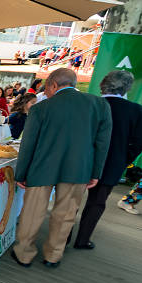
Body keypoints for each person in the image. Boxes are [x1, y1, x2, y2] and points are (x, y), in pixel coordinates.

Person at [12, 68, 112, 268]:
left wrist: (21, 173)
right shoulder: (100, 105)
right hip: (79, 169)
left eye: (46, 88)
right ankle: (53, 256)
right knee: (66, 214)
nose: (45, 92)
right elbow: (102, 143)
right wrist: (95, 173)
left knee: (33, 212)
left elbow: (28, 144)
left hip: (42, 168)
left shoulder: (41, 108)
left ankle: (24, 254)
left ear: (53, 85)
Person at [73, 71, 142, 248]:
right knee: (96, 203)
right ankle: (82, 240)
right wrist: (124, 158)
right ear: (127, 87)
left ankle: (62, 238)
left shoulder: (87, 104)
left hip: (82, 160)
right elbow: (138, 142)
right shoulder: (136, 111)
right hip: (113, 164)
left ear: (102, 84)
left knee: (71, 201)